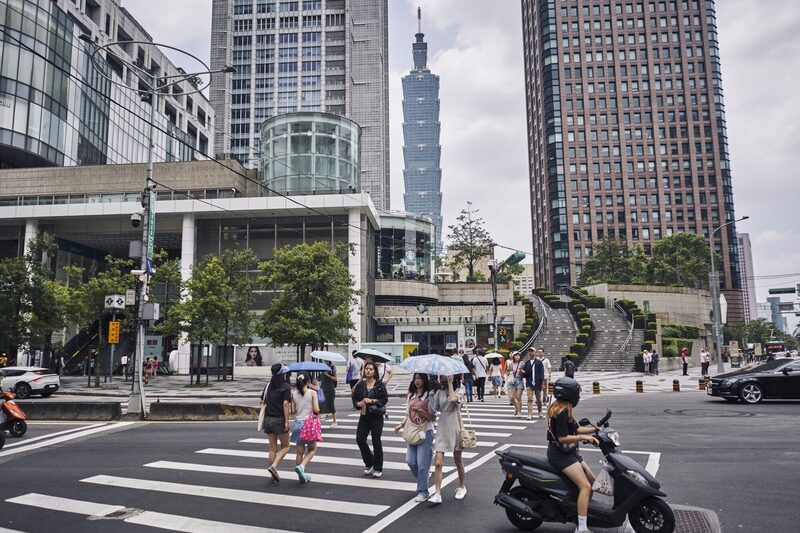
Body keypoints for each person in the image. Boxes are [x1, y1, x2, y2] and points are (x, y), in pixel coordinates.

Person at [547, 378, 599, 533]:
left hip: (569, 452)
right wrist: (585, 438)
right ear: (570, 394)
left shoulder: (563, 407)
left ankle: (581, 514)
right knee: (586, 486)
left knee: (593, 482)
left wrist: (596, 430)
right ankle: (581, 528)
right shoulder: (561, 411)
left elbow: (577, 429)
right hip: (560, 455)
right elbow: (562, 438)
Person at [394, 373, 436, 502]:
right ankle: (424, 478)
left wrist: (422, 411)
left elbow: (433, 418)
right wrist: (401, 424)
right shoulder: (410, 396)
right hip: (412, 431)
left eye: (420, 379)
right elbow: (407, 414)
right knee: (411, 461)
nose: (417, 381)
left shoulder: (429, 396)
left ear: (424, 380)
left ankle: (423, 492)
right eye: (415, 379)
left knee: (422, 464)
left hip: (426, 431)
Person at [427, 375, 467, 503]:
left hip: (455, 425)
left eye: (446, 376)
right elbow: (433, 410)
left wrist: (450, 383)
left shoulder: (460, 390)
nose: (443, 378)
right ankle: (437, 493)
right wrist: (432, 395)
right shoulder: (439, 392)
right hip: (442, 426)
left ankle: (462, 486)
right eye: (442, 376)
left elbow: (453, 399)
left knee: (458, 459)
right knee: (438, 462)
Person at [353, 361, 389, 478]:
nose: (368, 371)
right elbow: (355, 399)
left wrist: (372, 400)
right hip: (364, 416)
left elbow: (384, 399)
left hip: (376, 416)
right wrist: (358, 403)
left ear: (375, 372)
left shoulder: (379, 384)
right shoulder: (360, 385)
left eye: (371, 369)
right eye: (367, 369)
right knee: (360, 439)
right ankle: (370, 462)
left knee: (376, 441)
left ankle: (378, 467)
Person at [262, 363, 292, 483]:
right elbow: (285, 404)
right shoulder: (286, 386)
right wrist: (286, 421)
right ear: (283, 374)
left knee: (272, 448)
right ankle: (273, 466)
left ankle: (272, 473)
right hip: (279, 419)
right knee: (285, 446)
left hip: (268, 419)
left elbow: (262, 401)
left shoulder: (268, 385)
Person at [290, 372, 320, 484]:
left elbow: (293, 411)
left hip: (298, 423)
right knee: (312, 449)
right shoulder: (312, 392)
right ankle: (302, 467)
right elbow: (316, 409)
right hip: (309, 424)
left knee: (299, 452)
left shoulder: (294, 393)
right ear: (308, 382)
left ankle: (301, 474)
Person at [525, 349, 545, 420]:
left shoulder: (539, 362)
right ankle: (530, 413)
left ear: (535, 353)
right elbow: (525, 374)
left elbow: (542, 373)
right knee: (529, 399)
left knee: (538, 400)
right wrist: (522, 372)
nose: (531, 352)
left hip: (537, 383)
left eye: (532, 351)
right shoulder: (526, 363)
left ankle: (540, 411)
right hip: (529, 383)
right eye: (529, 351)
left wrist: (542, 383)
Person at [319, 360, 338, 428]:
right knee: (320, 404)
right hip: (323, 388)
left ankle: (334, 421)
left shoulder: (333, 367)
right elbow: (321, 379)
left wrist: (328, 375)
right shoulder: (322, 367)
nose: (325, 362)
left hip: (330, 388)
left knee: (331, 404)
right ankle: (318, 421)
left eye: (326, 361)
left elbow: (335, 379)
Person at [507, 352, 526, 417]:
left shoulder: (522, 363)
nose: (517, 357)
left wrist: (522, 372)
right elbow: (507, 371)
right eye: (516, 355)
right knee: (511, 398)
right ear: (514, 356)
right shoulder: (510, 364)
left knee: (518, 397)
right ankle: (516, 407)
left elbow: (526, 372)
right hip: (512, 380)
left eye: (518, 355)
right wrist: (511, 372)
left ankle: (519, 412)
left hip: (519, 380)